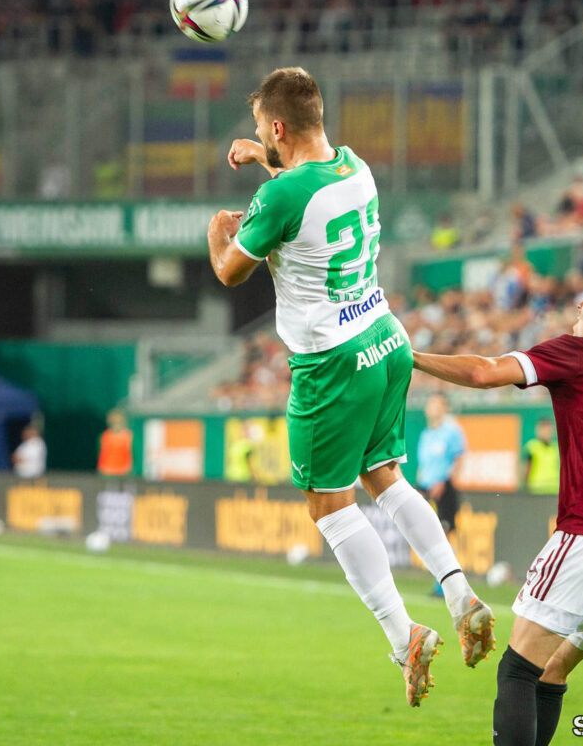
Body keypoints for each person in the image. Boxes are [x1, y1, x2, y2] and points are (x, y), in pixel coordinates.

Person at [207, 66, 494, 707]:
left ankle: (403, 635)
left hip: (332, 360)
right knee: (385, 477)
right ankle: (458, 590)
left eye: (261, 130)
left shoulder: (281, 195)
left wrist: (216, 235)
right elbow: (308, 188)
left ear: (277, 127)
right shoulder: (354, 167)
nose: (261, 137)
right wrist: (265, 160)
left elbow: (230, 271)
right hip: (386, 338)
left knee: (329, 506)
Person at [412, 273, 583, 746]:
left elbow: (484, 373)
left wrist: (409, 356)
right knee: (553, 666)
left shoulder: (580, 352)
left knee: (518, 668)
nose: (578, 306)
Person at [416, 393, 466, 596]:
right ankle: (442, 581)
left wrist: (445, 481)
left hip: (444, 490)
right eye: (430, 403)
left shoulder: (452, 431)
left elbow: (458, 459)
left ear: (444, 408)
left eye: (436, 404)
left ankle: (447, 584)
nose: (431, 407)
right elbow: (424, 464)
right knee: (431, 536)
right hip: (427, 488)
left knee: (444, 536)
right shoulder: (426, 434)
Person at [523, 419, 560, 494]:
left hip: (553, 489)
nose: (546, 433)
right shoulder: (532, 447)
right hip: (536, 489)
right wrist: (525, 485)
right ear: (538, 431)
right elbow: (527, 468)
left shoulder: (556, 447)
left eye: (548, 430)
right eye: (544, 430)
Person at [97, 410, 133, 477]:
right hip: (108, 471)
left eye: (119, 422)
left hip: (124, 472)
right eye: (114, 421)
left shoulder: (129, 436)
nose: (116, 424)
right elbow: (101, 454)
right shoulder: (104, 436)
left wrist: (128, 469)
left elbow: (133, 455)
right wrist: (102, 468)